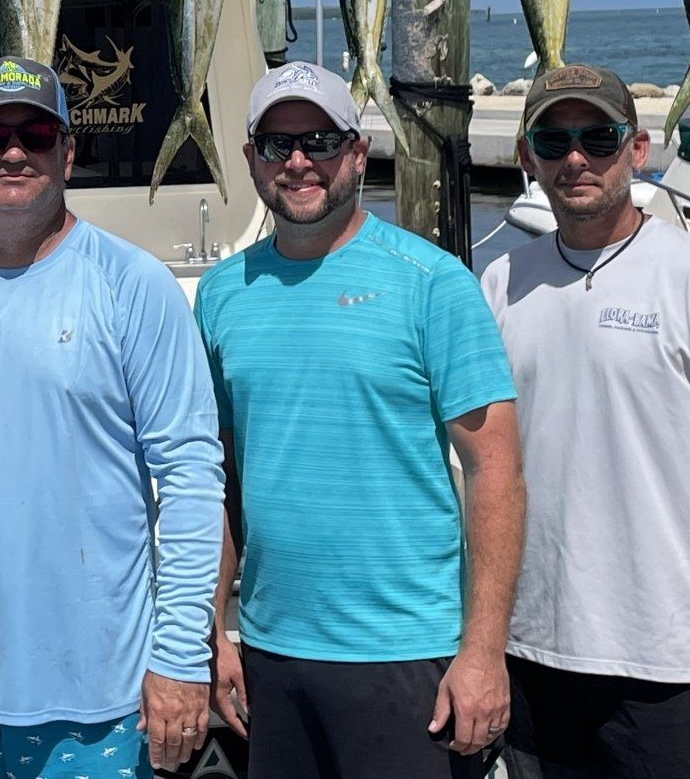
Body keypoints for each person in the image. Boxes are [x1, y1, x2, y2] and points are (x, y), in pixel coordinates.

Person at [0, 56, 225, 778]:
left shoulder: (134, 284)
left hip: (105, 699)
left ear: (68, 153)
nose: (15, 153)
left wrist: (180, 654)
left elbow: (189, 477)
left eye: (37, 135)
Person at [198, 60, 524, 778]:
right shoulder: (221, 295)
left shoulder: (434, 283)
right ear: (251, 158)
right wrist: (212, 630)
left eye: (320, 141)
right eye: (277, 145)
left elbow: (495, 471)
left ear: (357, 152)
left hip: (409, 657)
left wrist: (483, 651)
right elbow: (220, 480)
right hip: (272, 655)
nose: (299, 162)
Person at [482, 64, 690, 779]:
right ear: (527, 156)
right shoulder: (499, 283)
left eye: (598, 138)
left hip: (668, 668)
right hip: (529, 655)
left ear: (638, 148)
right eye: (553, 141)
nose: (576, 159)